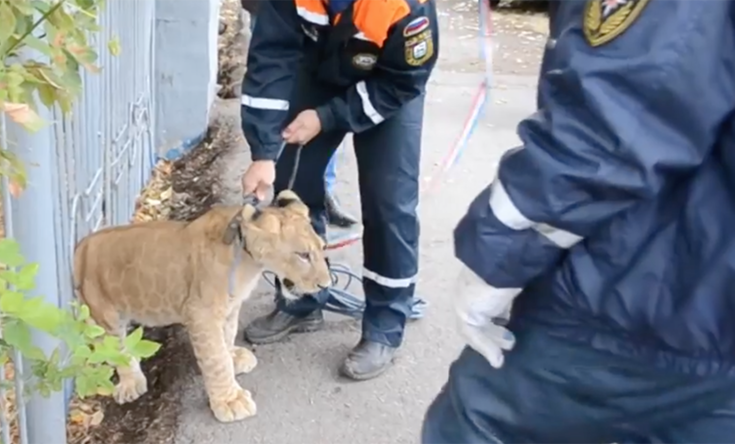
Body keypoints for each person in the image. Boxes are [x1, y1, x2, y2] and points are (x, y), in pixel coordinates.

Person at [421, 1, 735, 443]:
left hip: (628, 304)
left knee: (476, 425)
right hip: (716, 320)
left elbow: (617, 121)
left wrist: (495, 257)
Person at [239, 0, 439, 380]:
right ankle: (302, 300)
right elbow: (271, 57)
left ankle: (384, 324)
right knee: (293, 186)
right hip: (318, 67)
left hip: (389, 82)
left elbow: (404, 79)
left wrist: (327, 116)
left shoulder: (404, 7)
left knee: (388, 202)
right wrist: (264, 152)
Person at [241, 0, 358, 229]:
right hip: (280, 13)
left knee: (317, 116)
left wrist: (326, 116)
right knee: (290, 100)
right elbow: (270, 64)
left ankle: (322, 190)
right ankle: (298, 200)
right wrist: (264, 153)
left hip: (353, 27)